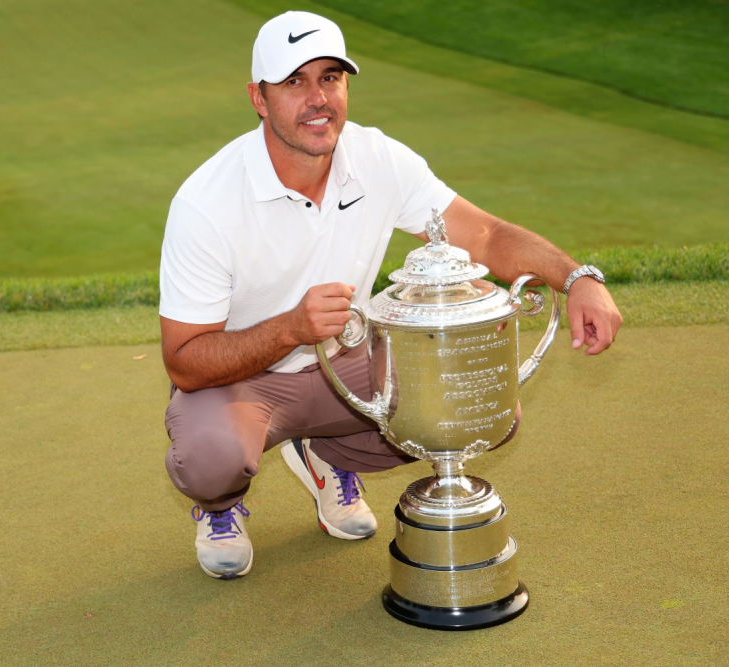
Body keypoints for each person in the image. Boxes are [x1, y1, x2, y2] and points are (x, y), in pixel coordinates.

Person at [158, 11, 622, 580]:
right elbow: (183, 359)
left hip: (347, 363)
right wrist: (290, 329)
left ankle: (325, 456)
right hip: (241, 379)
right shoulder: (206, 201)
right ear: (259, 98)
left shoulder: (377, 158)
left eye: (330, 77)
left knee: (473, 403)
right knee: (211, 460)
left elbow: (486, 235)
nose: (317, 98)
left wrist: (576, 278)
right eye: (294, 82)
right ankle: (220, 508)